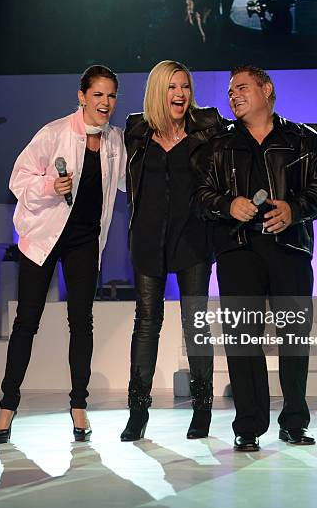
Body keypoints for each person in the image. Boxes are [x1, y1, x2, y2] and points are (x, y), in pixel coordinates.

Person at [195, 66, 317, 451]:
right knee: (242, 338)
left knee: (293, 337)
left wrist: (295, 208)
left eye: (242, 88)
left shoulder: (302, 139)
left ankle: (294, 422)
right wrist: (227, 204)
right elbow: (200, 195)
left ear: (266, 89)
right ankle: (249, 425)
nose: (234, 96)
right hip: (237, 250)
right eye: (230, 91)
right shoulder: (218, 143)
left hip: (288, 247)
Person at [0, 65, 126, 444]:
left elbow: (130, 182)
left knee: (81, 321)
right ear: (82, 96)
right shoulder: (53, 133)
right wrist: (52, 185)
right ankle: (7, 405)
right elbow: (17, 179)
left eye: (111, 95)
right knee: (27, 321)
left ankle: (78, 404)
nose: (105, 102)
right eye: (98, 94)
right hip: (43, 237)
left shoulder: (115, 141)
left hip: (85, 240)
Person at [120, 60, 226, 442]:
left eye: (184, 87)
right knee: (146, 324)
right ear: (157, 91)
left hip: (193, 236)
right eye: (172, 87)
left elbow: (249, 134)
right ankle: (138, 411)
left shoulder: (208, 126)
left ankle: (202, 409)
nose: (180, 94)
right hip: (148, 239)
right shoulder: (136, 130)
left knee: (195, 324)